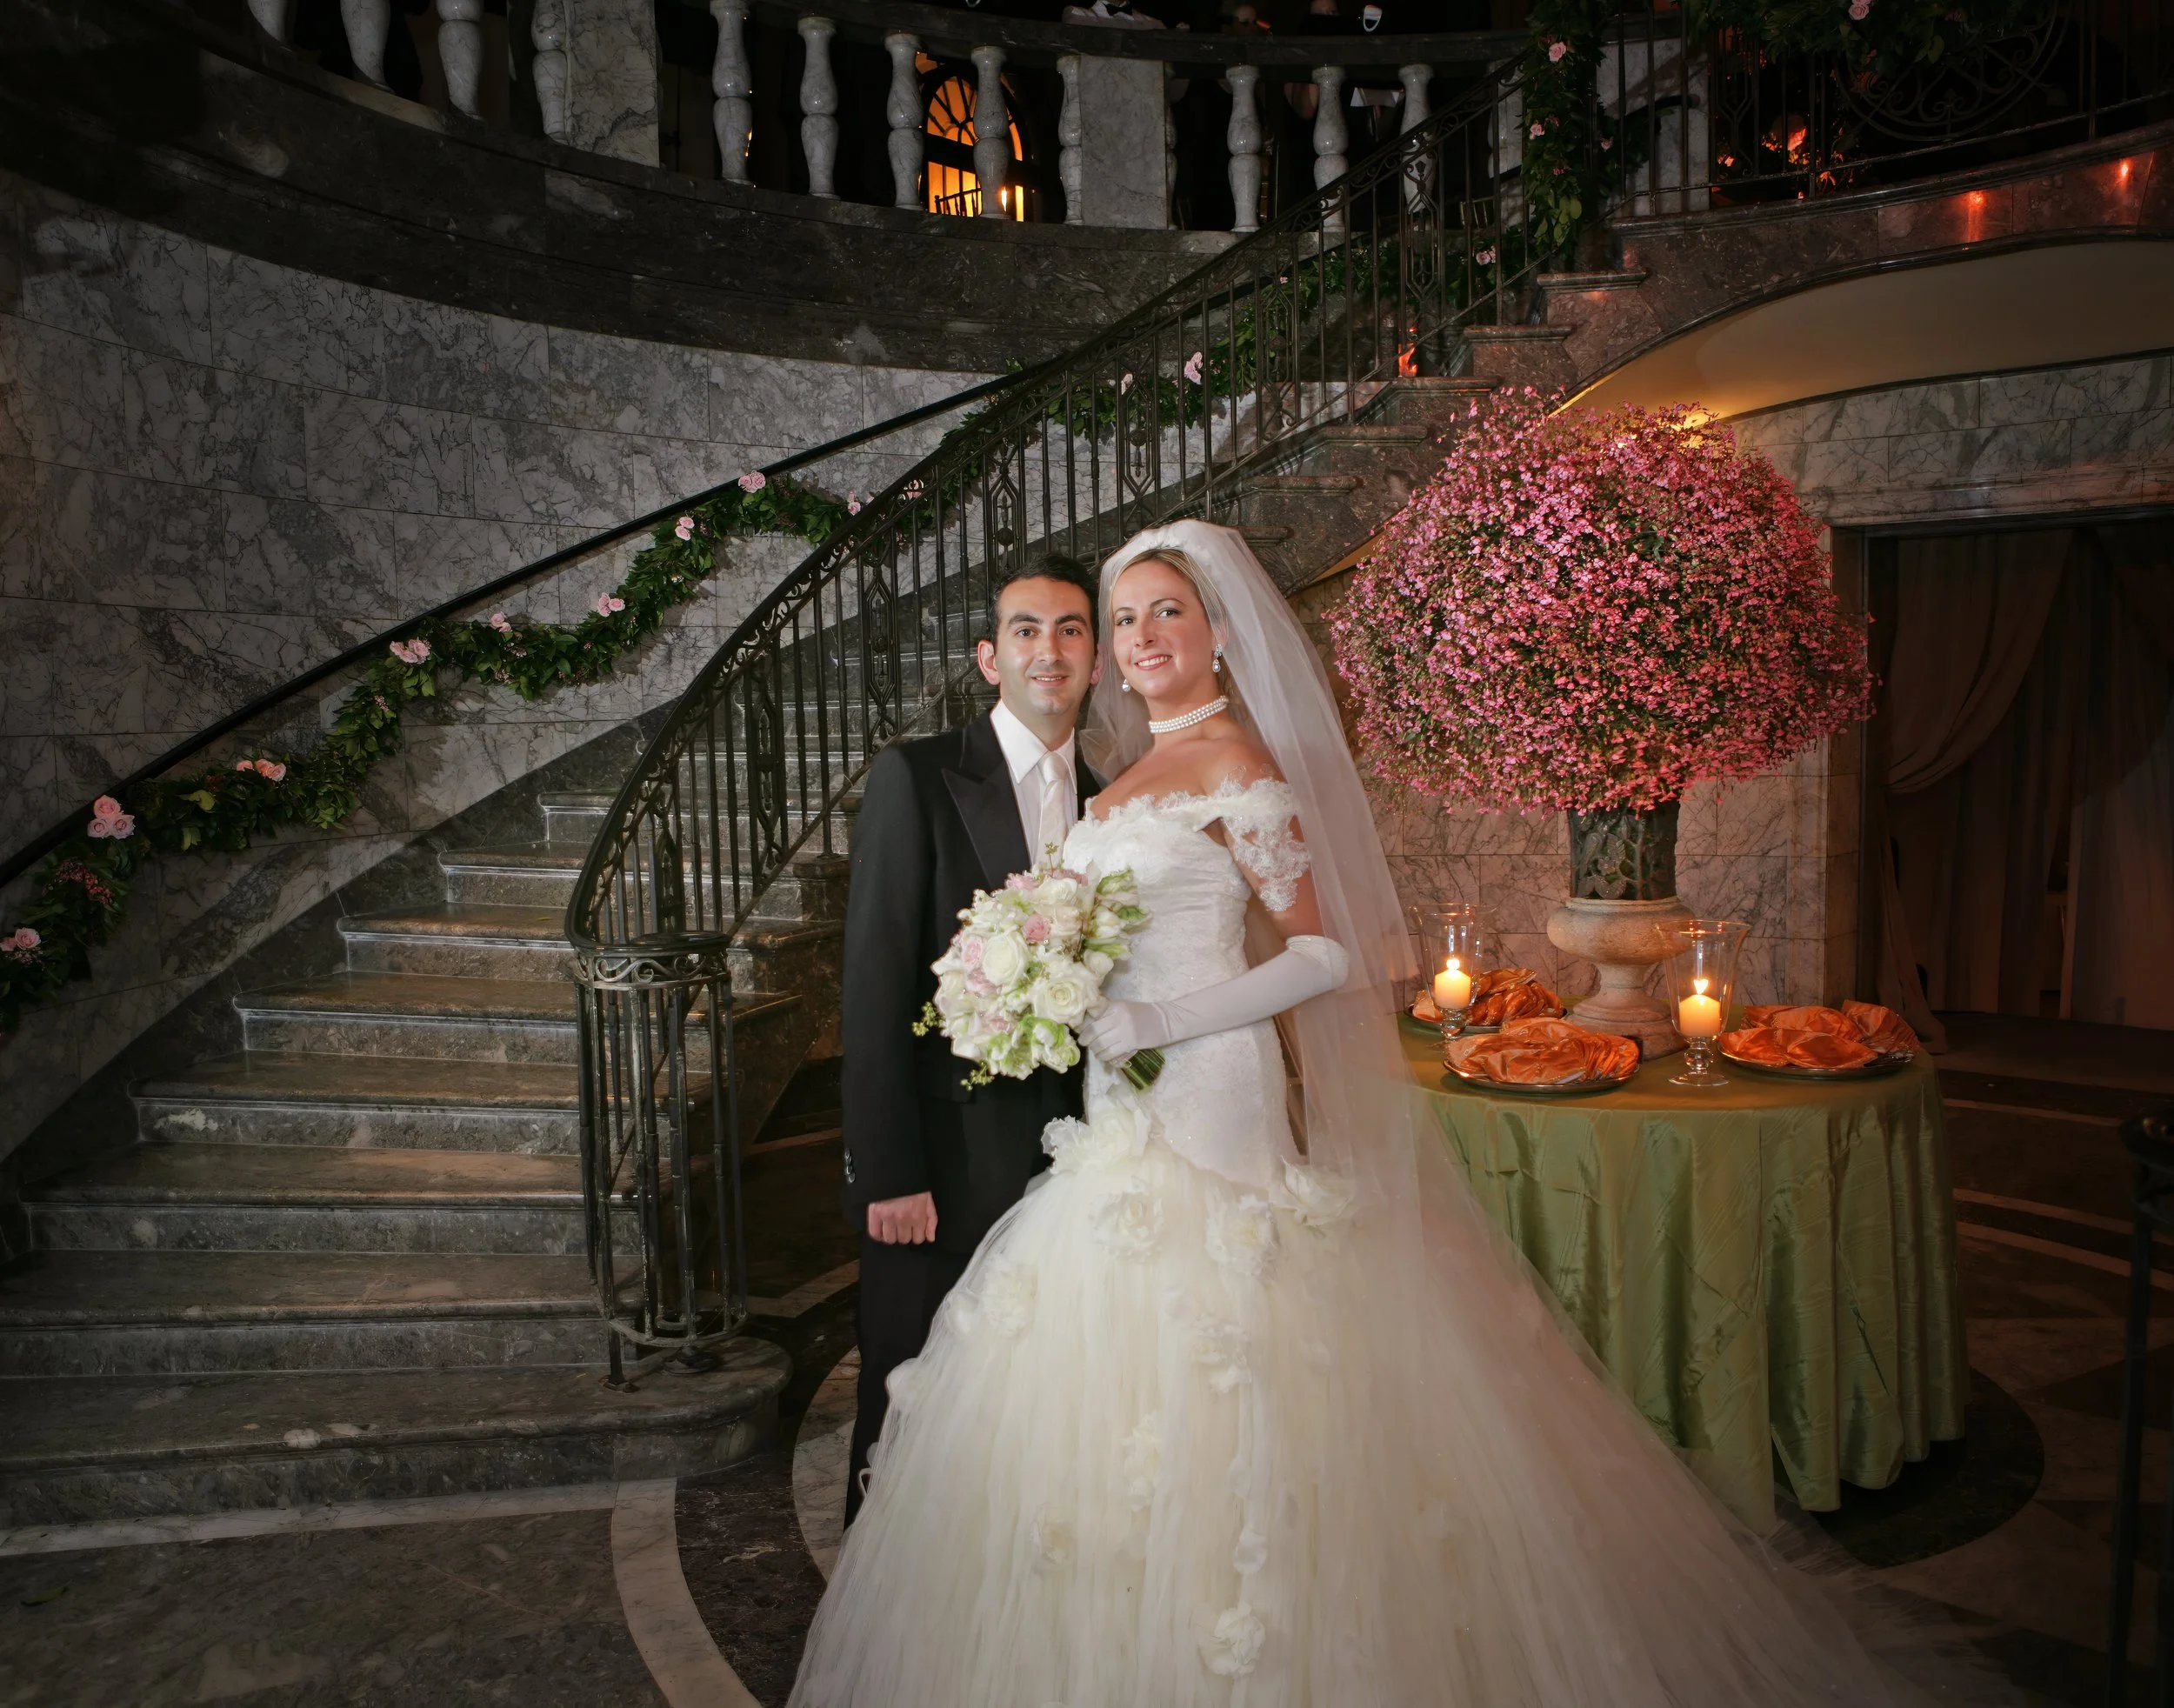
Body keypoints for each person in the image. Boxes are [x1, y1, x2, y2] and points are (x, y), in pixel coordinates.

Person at [793, 521, 2011, 1705]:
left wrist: (1160, 1024)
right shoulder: (1132, 772)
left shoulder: (1236, 764)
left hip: (1203, 1101)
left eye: (1167, 609)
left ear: (1219, 631)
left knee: (1222, 1347)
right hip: (1113, 1113)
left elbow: (1325, 956)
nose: (1141, 632)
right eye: (1123, 618)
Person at [836, 553, 1104, 1525]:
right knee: (909, 1397)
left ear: (1098, 659)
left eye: (1072, 628)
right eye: (1027, 630)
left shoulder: (1114, 802)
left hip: (1074, 1161)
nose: (1050, 649)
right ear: (990, 658)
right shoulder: (917, 777)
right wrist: (887, 1171)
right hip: (938, 1168)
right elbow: (871, 983)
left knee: (1029, 1402)